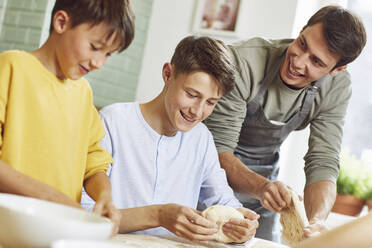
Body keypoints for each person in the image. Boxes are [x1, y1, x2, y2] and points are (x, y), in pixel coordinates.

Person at [203, 5, 367, 242]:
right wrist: (262, 188)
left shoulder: (337, 87)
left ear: (337, 69)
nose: (298, 63)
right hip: (209, 180)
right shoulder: (244, 61)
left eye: (316, 62)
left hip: (264, 189)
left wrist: (316, 222)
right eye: (302, 44)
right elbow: (217, 151)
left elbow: (323, 160)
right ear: (302, 30)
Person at [81, 36, 259, 243]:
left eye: (211, 102)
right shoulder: (113, 122)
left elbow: (223, 199)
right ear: (168, 74)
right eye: (192, 94)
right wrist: (158, 215)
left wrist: (242, 223)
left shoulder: (201, 139)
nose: (198, 111)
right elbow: (86, 214)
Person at [0, 0, 135, 233]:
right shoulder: (12, 67)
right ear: (61, 22)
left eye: (108, 54)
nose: (99, 63)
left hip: (54, 230)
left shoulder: (83, 94)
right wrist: (49, 197)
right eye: (94, 47)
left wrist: (104, 196)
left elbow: (94, 163)